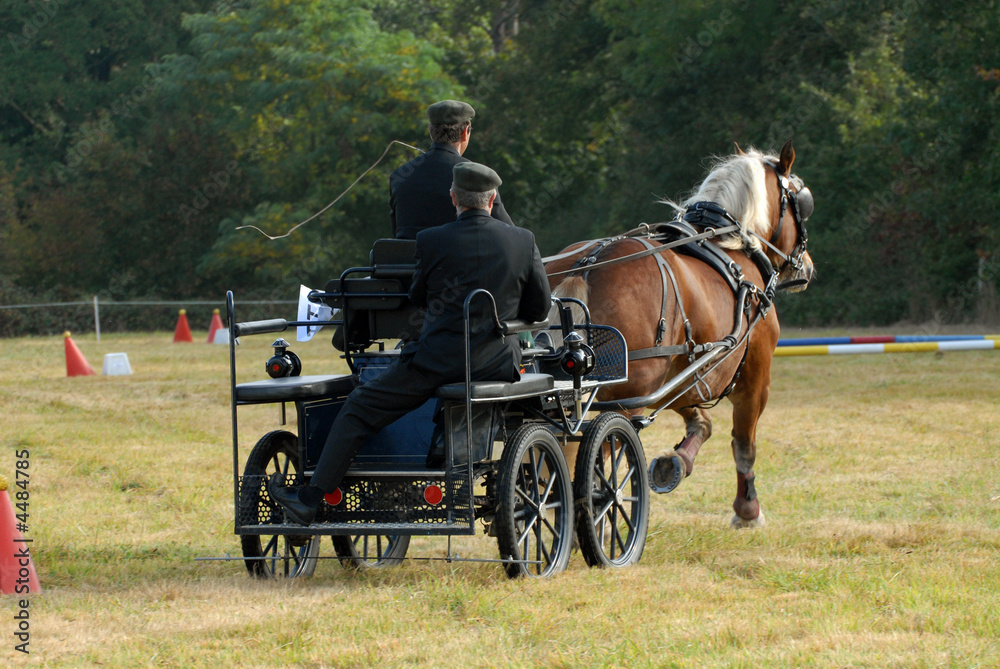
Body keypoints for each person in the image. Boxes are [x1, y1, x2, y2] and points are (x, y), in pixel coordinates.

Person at [270, 162, 550, 525]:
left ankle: (310, 498)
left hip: (435, 363)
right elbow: (539, 308)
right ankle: (443, 443)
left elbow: (418, 296)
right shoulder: (523, 240)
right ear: (493, 199)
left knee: (358, 407)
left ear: (453, 198)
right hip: (494, 362)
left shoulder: (432, 240)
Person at [389, 99, 514, 239]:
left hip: (409, 254)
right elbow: (510, 234)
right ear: (465, 132)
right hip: (458, 253)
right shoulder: (477, 177)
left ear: (431, 131)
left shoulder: (399, 175)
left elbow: (396, 234)